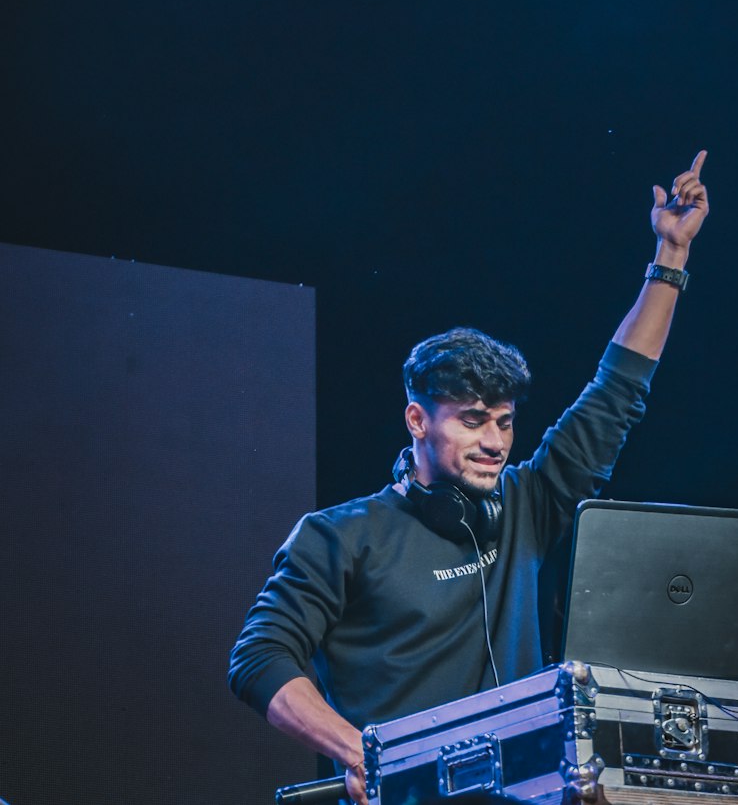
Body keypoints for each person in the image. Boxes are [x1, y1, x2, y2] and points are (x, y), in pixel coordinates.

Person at [229, 151, 709, 803]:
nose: (495, 443)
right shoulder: (340, 536)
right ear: (417, 420)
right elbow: (259, 657)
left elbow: (615, 392)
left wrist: (671, 254)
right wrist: (361, 752)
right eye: (475, 420)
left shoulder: (526, 504)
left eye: (506, 423)